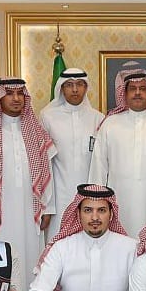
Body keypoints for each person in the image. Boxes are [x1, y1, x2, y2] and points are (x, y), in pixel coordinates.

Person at [0, 77, 56, 291]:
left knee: (30, 261)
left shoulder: (36, 130)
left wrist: (48, 207)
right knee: (1, 262)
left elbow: (47, 170)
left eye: (20, 93)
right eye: (9, 93)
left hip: (31, 212)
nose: (16, 98)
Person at [89, 70, 146, 235]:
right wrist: (96, 202)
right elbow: (98, 166)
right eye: (132, 89)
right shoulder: (110, 124)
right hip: (118, 200)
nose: (137, 93)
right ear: (125, 94)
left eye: (142, 89)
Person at [40, 68, 105, 238]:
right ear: (61, 88)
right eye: (69, 85)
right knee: (59, 242)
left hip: (90, 197)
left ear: (86, 87)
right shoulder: (47, 117)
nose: (75, 89)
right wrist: (47, 207)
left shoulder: (98, 118)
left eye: (79, 84)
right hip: (59, 197)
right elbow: (43, 163)